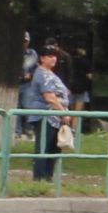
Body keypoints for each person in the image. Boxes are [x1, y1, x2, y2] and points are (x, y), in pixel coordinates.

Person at [21, 46, 72, 181]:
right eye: (49, 56)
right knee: (43, 146)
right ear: (42, 58)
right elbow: (49, 97)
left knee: (53, 148)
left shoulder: (50, 74)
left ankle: (48, 177)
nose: (53, 58)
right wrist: (63, 113)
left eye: (55, 56)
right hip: (46, 115)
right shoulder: (42, 74)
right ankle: (39, 178)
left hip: (55, 117)